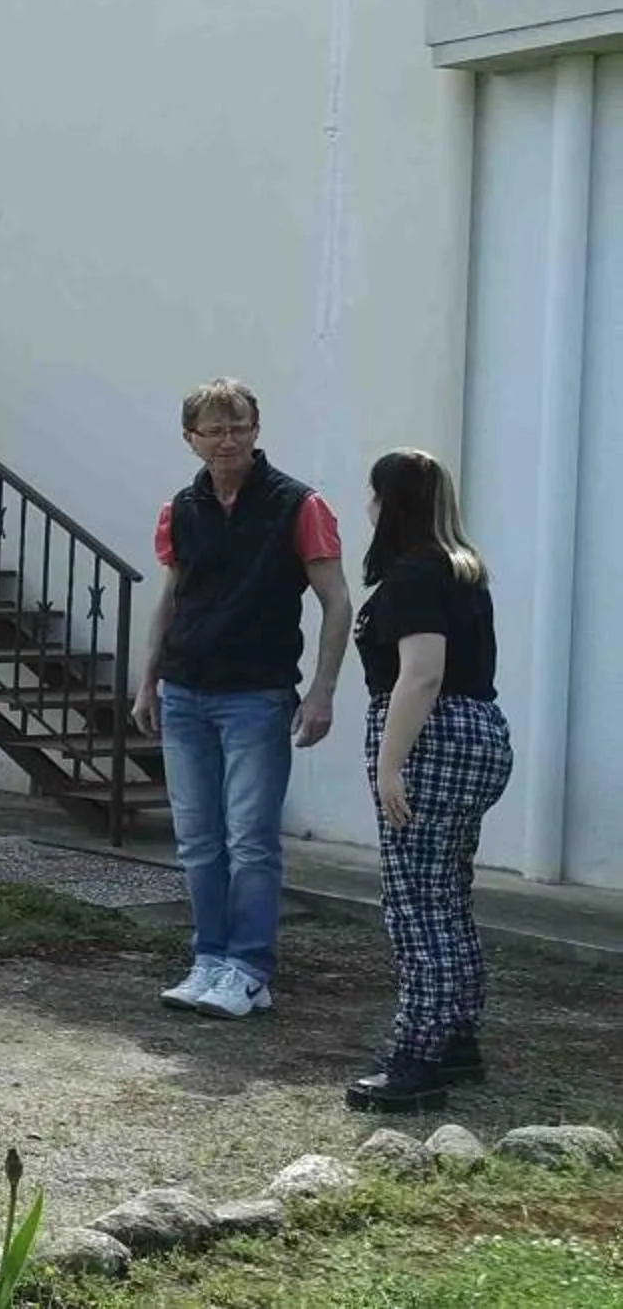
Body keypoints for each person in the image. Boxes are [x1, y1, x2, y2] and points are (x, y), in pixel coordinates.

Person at [133, 378, 351, 1021]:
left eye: (239, 427)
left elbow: (337, 602)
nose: (228, 440)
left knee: (250, 840)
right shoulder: (181, 509)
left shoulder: (299, 505)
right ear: (191, 438)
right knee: (198, 839)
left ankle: (250, 970)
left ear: (256, 430)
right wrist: (148, 680)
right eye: (214, 429)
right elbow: (170, 600)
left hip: (256, 695)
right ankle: (210, 959)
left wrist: (322, 691)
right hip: (185, 693)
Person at [345, 448, 509, 1114]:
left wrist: (390, 764)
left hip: (431, 738)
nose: (367, 505)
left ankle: (418, 1055)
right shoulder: (461, 570)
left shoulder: (413, 574)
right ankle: (457, 1037)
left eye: (372, 494)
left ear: (390, 502)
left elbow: (421, 674)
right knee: (447, 895)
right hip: (479, 733)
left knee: (417, 904)